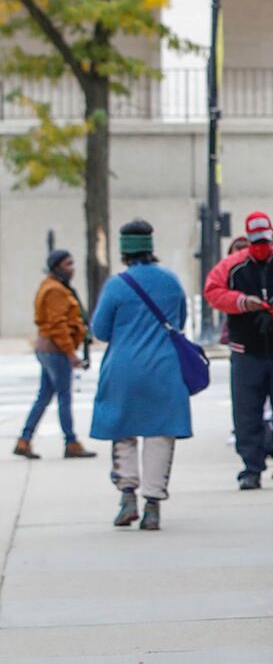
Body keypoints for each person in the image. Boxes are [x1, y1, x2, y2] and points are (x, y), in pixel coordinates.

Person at [89, 221, 193, 531]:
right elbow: (181, 322)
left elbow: (100, 330)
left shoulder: (117, 285)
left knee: (124, 432)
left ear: (125, 250)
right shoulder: (171, 281)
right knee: (160, 435)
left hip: (123, 370)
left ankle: (127, 496)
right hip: (165, 369)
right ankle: (152, 505)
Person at [203, 212, 273, 490]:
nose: (261, 246)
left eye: (265, 240)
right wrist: (242, 302)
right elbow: (212, 291)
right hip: (247, 352)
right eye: (255, 241)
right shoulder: (232, 267)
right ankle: (251, 468)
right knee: (246, 413)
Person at [16, 249, 96, 460]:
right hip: (55, 351)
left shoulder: (52, 286)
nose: (73, 268)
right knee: (64, 398)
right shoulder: (55, 290)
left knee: (44, 396)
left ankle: (24, 439)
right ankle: (71, 442)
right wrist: (71, 354)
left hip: (47, 349)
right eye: (68, 264)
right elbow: (58, 325)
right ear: (57, 267)